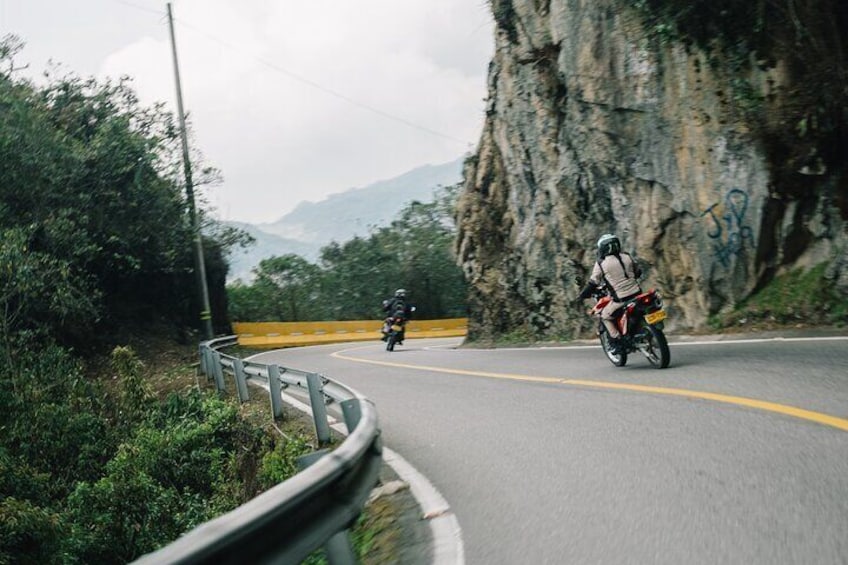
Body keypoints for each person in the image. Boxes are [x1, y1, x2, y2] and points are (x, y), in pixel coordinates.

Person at [577, 234, 642, 353]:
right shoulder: (627, 256)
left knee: (605, 315)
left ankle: (617, 341)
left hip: (621, 299)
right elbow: (638, 272)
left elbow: (593, 282)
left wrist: (583, 295)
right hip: (638, 294)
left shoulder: (602, 263)